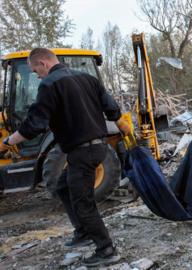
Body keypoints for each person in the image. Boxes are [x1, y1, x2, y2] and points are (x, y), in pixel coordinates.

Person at [0, 48, 131, 266]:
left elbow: (35, 124)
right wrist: (120, 123)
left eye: (35, 71)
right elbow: (111, 108)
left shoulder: (50, 84)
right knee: (62, 187)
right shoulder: (88, 79)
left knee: (84, 202)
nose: (37, 75)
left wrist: (8, 141)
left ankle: (107, 250)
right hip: (95, 146)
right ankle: (82, 232)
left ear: (43, 63)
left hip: (82, 151)